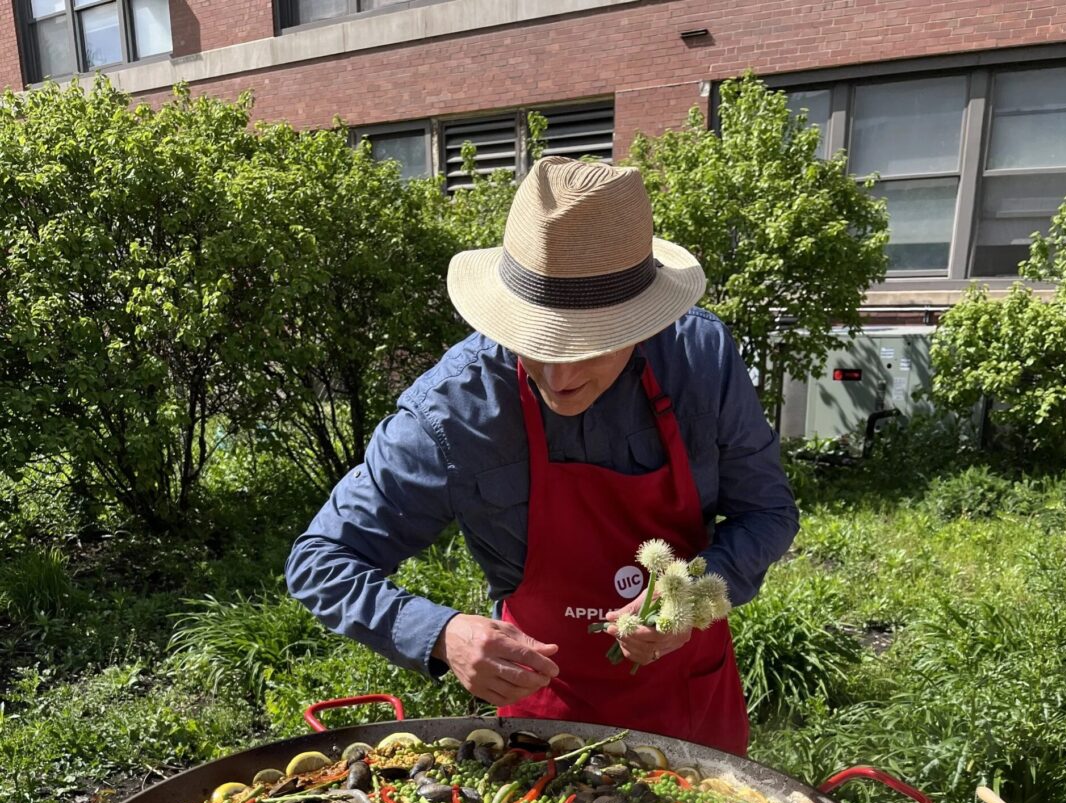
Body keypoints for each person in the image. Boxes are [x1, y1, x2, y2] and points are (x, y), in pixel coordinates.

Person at [286, 157, 798, 754]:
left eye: (590, 343)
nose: (559, 375)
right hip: (544, 724)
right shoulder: (456, 407)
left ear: (643, 321)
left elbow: (768, 513)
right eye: (535, 339)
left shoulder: (698, 361)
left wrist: (692, 592)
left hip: (689, 703)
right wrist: (443, 634)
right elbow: (320, 559)